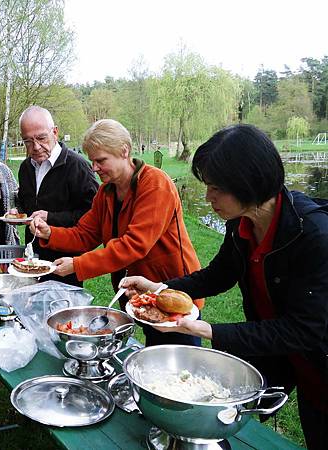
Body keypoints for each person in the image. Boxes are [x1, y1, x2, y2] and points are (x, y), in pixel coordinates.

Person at [119, 124, 328, 450]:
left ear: (249, 184)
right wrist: (159, 289)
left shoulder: (313, 236)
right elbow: (217, 275)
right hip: (294, 362)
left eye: (216, 188)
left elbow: (303, 330)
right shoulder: (242, 223)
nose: (208, 197)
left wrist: (207, 329)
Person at [31, 119, 202, 347]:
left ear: (124, 151)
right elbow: (86, 233)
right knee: (151, 355)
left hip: (172, 291)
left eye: (101, 160)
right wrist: (49, 233)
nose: (94, 168)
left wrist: (78, 266)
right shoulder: (106, 191)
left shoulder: (155, 184)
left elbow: (133, 245)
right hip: (136, 294)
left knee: (177, 361)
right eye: (91, 160)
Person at [17, 105, 98, 286]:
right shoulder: (25, 168)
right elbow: (27, 202)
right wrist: (19, 211)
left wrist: (52, 217)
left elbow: (91, 215)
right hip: (34, 258)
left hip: (65, 263)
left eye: (41, 138)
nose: (36, 147)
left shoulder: (77, 166)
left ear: (55, 132)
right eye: (28, 141)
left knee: (62, 312)